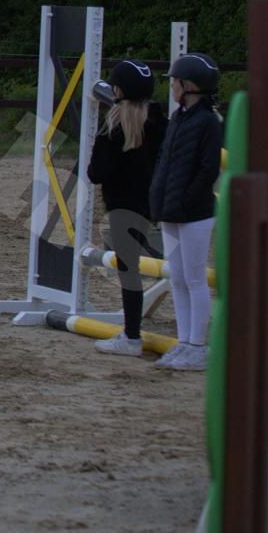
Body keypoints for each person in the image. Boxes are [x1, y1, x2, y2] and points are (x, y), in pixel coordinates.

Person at [147, 52, 223, 372]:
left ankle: (197, 345)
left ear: (188, 85)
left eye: (175, 82)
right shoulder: (178, 117)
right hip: (172, 208)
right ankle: (183, 340)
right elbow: (165, 160)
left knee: (194, 278)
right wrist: (159, 196)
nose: (172, 87)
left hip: (195, 212)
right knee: (176, 277)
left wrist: (186, 200)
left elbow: (208, 169)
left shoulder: (209, 122)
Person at [86, 60, 168, 356]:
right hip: (156, 205)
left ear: (119, 91)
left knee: (128, 271)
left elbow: (95, 173)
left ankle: (131, 336)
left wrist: (101, 137)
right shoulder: (162, 122)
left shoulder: (114, 127)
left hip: (123, 208)